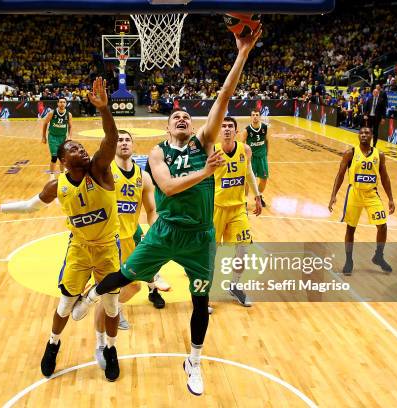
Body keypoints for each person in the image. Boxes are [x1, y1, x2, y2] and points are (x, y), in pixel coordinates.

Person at [70, 29, 262, 396]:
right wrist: (206, 172)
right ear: (166, 125)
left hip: (200, 237)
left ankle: (194, 361)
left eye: (187, 116)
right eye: (176, 116)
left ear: (195, 126)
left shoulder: (204, 143)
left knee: (201, 304)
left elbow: (224, 97)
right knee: (121, 278)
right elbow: (169, 188)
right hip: (166, 232)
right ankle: (91, 296)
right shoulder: (158, 154)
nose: (182, 118)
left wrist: (242, 53)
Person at [0, 78, 123, 382]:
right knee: (64, 305)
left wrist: (105, 110)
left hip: (106, 249)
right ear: (63, 161)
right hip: (78, 249)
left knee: (112, 305)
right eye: (74, 148)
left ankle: (111, 349)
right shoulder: (56, 186)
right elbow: (29, 207)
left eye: (81, 146)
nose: (82, 149)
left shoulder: (99, 171)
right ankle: (52, 344)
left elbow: (111, 138)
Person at [93, 130, 167, 367]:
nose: (124, 143)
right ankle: (100, 345)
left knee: (134, 286)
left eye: (127, 140)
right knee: (108, 293)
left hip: (127, 239)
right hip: (106, 241)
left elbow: (151, 209)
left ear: (134, 146)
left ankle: (116, 310)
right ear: (113, 146)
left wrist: (153, 233)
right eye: (120, 140)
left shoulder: (143, 177)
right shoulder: (105, 172)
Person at [328, 127, 395, 276]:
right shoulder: (350, 153)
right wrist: (333, 195)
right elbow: (340, 175)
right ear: (358, 136)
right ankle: (349, 260)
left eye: (367, 133)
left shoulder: (380, 155)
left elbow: (385, 177)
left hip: (372, 194)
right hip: (355, 193)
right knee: (351, 228)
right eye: (361, 133)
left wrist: (390, 198)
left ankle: (378, 256)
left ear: (372, 136)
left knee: (382, 226)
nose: (364, 135)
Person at [213, 116, 262, 306]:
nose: (226, 129)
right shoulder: (213, 151)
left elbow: (248, 173)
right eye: (223, 126)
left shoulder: (245, 150)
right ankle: (206, 292)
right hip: (217, 209)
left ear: (236, 131)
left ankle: (235, 285)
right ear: (219, 130)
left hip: (238, 208)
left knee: (243, 249)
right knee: (212, 252)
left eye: (230, 127)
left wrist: (257, 195)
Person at [239, 109, 269, 207]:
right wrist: (244, 158)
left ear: (260, 116)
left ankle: (259, 196)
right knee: (248, 180)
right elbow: (241, 144)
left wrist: (266, 153)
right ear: (251, 117)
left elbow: (267, 141)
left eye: (257, 115)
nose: (255, 116)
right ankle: (245, 200)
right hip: (251, 158)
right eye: (253, 115)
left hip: (262, 157)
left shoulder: (264, 127)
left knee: (264, 179)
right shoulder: (247, 130)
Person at [41, 97, 73, 178]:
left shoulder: (68, 114)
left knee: (62, 158)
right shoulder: (52, 113)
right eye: (61, 102)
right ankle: (52, 176)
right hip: (53, 137)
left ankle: (62, 175)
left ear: (66, 104)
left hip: (62, 138)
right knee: (54, 157)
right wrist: (44, 137)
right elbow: (45, 124)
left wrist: (69, 136)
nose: (62, 103)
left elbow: (70, 126)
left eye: (64, 102)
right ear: (57, 103)